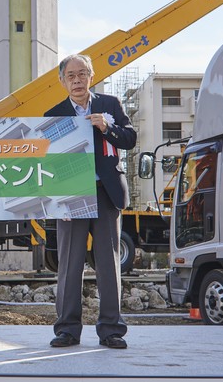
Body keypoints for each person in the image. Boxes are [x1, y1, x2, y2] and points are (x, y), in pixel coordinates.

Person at [44, 54, 137, 349]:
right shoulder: (53, 114)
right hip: (72, 195)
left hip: (106, 192)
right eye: (70, 76)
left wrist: (106, 128)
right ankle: (67, 330)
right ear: (62, 81)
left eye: (82, 74)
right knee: (69, 263)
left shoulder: (109, 105)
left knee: (108, 262)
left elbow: (131, 138)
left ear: (91, 76)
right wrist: (59, 199)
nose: (77, 80)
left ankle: (111, 330)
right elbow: (52, 163)